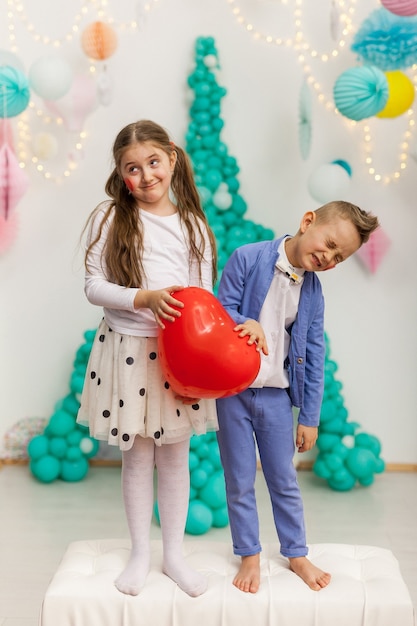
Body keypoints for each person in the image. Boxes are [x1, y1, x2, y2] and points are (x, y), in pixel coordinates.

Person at [77, 119, 218, 597]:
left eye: (153, 162)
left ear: (172, 160)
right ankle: (140, 552)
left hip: (176, 357)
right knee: (137, 459)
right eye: (132, 168)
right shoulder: (110, 217)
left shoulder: (194, 225)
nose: (146, 175)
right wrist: (144, 298)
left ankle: (173, 556)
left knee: (175, 458)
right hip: (128, 351)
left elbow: (202, 294)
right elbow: (93, 286)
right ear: (121, 175)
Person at [215, 200, 379, 594]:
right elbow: (218, 312)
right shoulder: (247, 257)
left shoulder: (313, 294)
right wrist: (244, 322)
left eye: (339, 257)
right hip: (232, 393)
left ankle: (296, 552)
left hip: (274, 397)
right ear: (308, 222)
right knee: (238, 480)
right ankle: (249, 555)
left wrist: (310, 416)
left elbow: (315, 355)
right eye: (330, 243)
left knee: (284, 480)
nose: (329, 258)